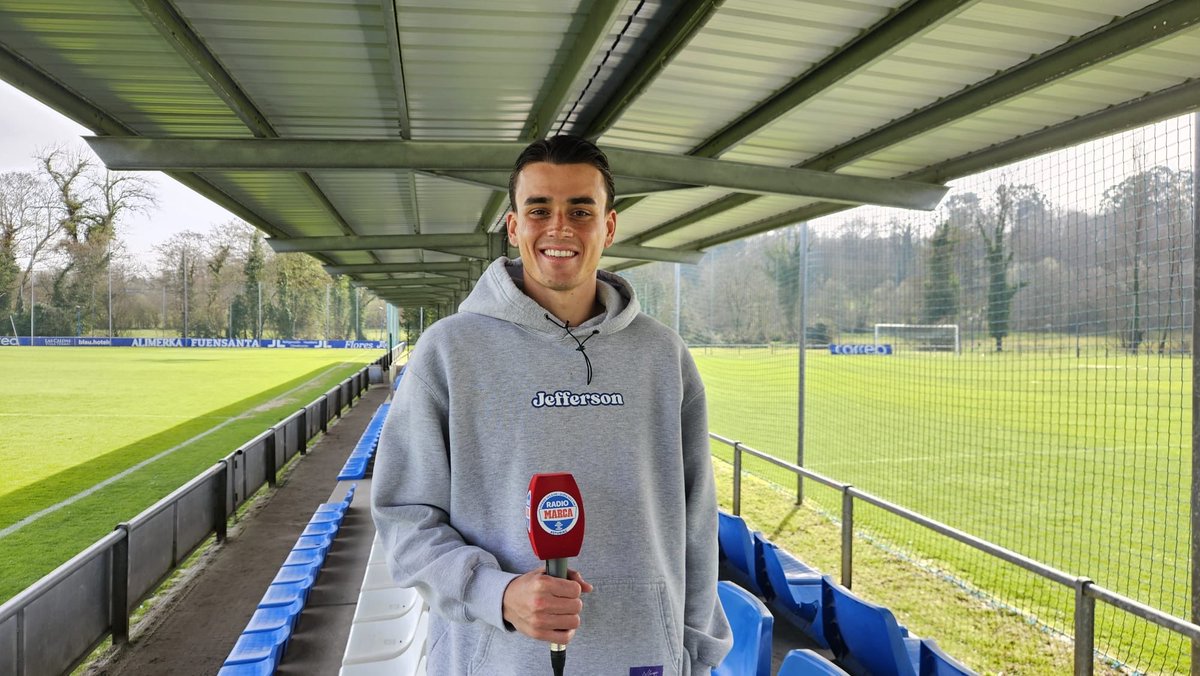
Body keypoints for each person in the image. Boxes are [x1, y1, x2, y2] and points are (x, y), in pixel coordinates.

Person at [371, 134, 732, 675]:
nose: (559, 228)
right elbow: (403, 517)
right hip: (497, 660)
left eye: (580, 210)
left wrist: (697, 657)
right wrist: (497, 592)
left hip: (645, 660)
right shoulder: (450, 350)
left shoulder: (661, 354)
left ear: (608, 227)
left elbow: (696, 520)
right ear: (514, 227)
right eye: (539, 209)